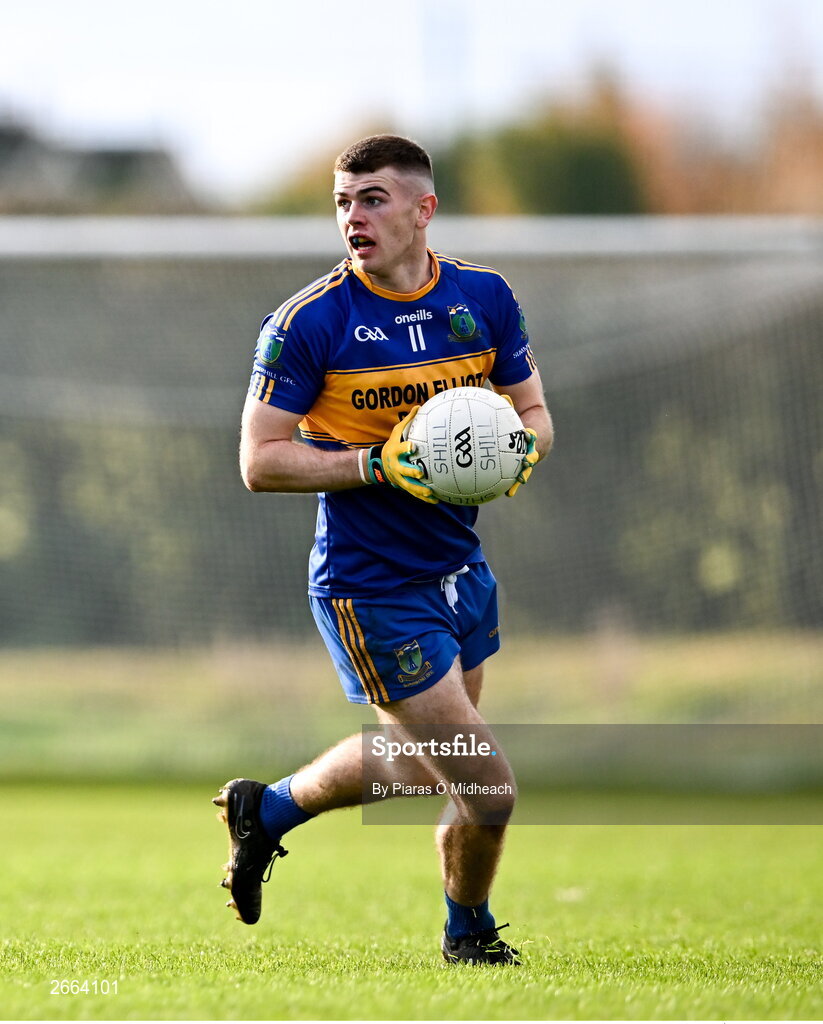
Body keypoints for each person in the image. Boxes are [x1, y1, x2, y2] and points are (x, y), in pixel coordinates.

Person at [213, 134, 553, 965]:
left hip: (459, 569)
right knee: (487, 784)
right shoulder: (308, 322)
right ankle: (466, 935)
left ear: (421, 209)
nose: (353, 217)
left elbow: (535, 414)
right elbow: (258, 461)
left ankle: (272, 808)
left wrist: (518, 453)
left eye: (371, 199)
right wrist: (374, 462)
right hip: (370, 586)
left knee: (413, 768)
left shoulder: (483, 297)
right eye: (342, 202)